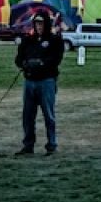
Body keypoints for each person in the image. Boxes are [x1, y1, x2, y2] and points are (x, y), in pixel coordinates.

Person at [14, 11, 66, 155]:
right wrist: (25, 64)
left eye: (41, 23)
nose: (39, 26)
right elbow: (18, 59)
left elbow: (56, 59)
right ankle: (28, 145)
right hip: (29, 82)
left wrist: (41, 64)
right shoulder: (28, 40)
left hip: (46, 81)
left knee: (48, 115)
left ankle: (52, 145)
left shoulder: (55, 40)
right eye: (37, 23)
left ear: (46, 24)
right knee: (28, 116)